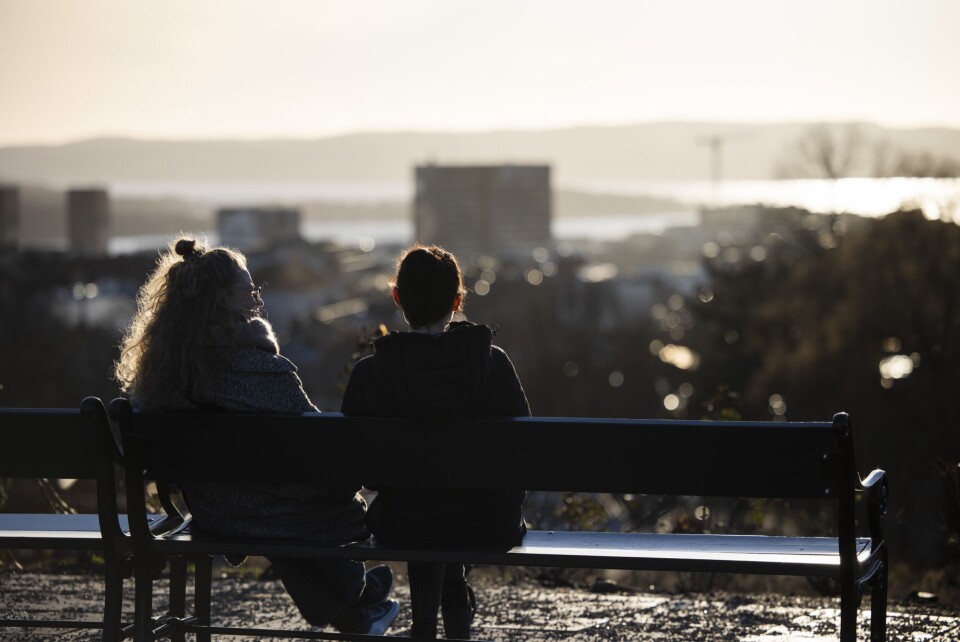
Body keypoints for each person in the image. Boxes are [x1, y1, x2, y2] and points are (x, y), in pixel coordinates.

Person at [114, 237, 399, 635]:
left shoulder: (163, 378)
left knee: (267, 508)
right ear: (222, 302)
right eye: (249, 291)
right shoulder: (264, 371)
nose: (258, 300)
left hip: (215, 511)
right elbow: (325, 450)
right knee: (300, 510)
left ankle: (357, 608)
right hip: (279, 512)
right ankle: (359, 594)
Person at [341, 245, 530, 639]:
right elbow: (522, 453)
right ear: (458, 301)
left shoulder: (371, 375)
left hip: (405, 526)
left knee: (425, 507)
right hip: (488, 526)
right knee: (447, 505)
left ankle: (425, 626)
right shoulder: (493, 364)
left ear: (397, 298)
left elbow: (361, 472)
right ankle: (454, 613)